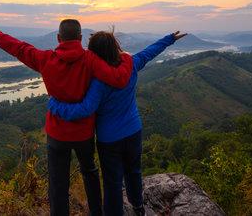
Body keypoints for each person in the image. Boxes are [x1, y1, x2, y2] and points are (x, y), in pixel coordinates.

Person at [0, 10, 134, 216]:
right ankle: (96, 212)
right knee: (90, 172)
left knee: (58, 183)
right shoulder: (90, 59)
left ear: (58, 38)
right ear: (81, 38)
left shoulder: (45, 59)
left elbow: (16, 47)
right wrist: (127, 59)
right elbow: (119, 79)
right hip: (84, 133)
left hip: (57, 134)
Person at [48, 30, 187, 216]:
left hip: (109, 139)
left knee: (112, 181)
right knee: (134, 171)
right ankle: (138, 208)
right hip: (133, 130)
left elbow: (84, 109)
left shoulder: (97, 81)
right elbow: (149, 52)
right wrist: (169, 39)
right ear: (115, 46)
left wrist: (54, 104)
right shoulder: (130, 64)